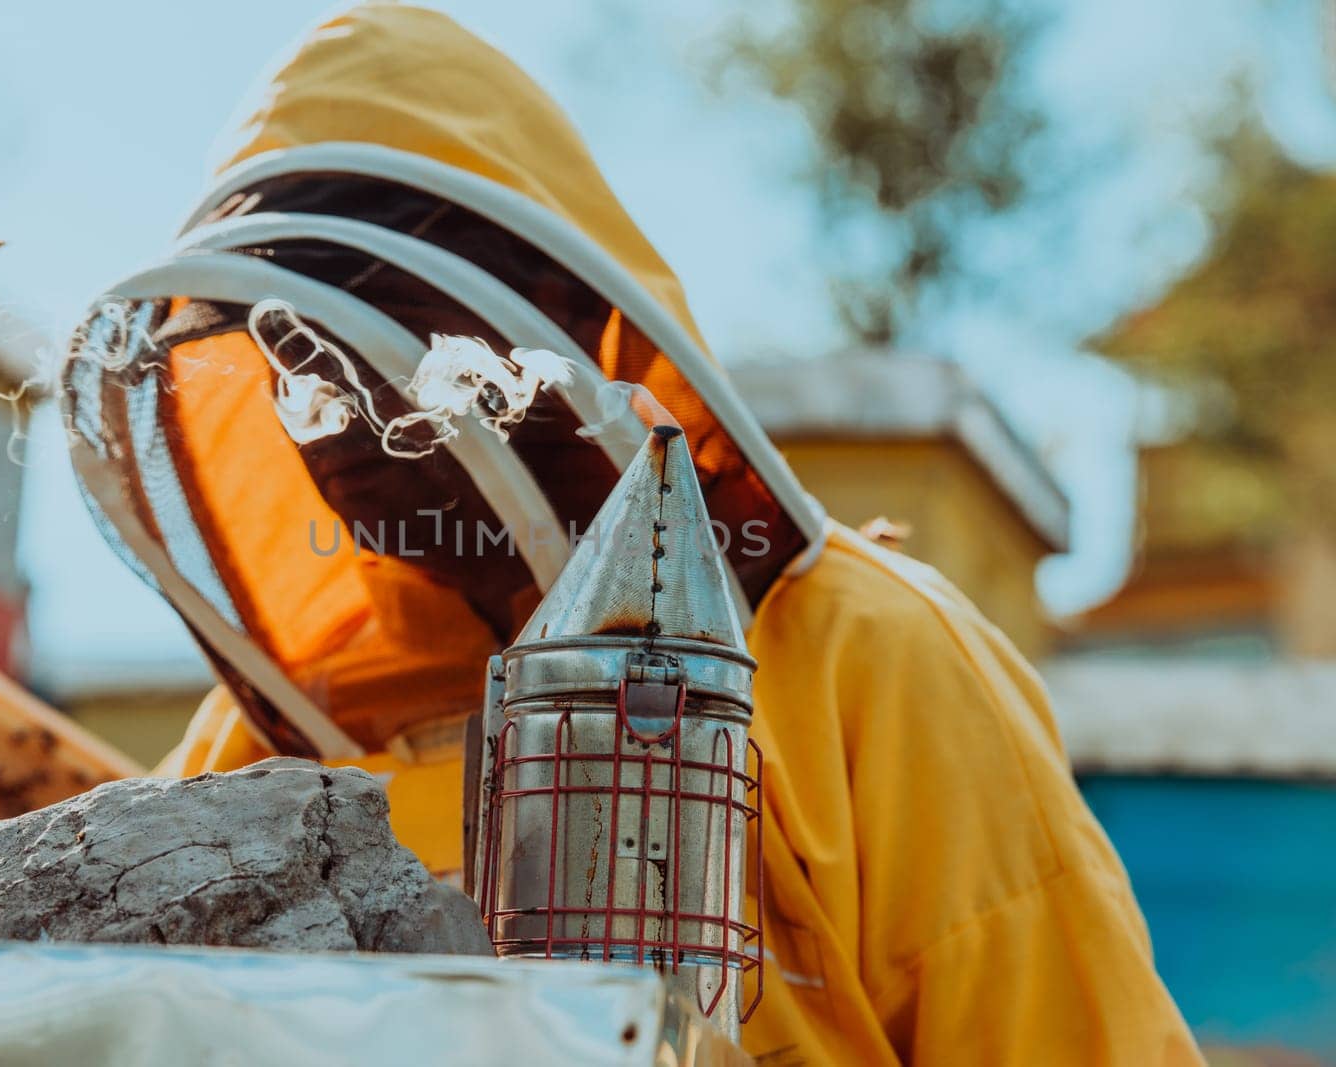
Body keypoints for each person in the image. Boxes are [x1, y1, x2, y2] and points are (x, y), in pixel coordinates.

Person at [62, 5, 1202, 1062]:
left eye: (394, 334)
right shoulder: (260, 746)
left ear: (564, 318)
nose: (352, 412)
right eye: (294, 364)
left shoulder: (873, 661)